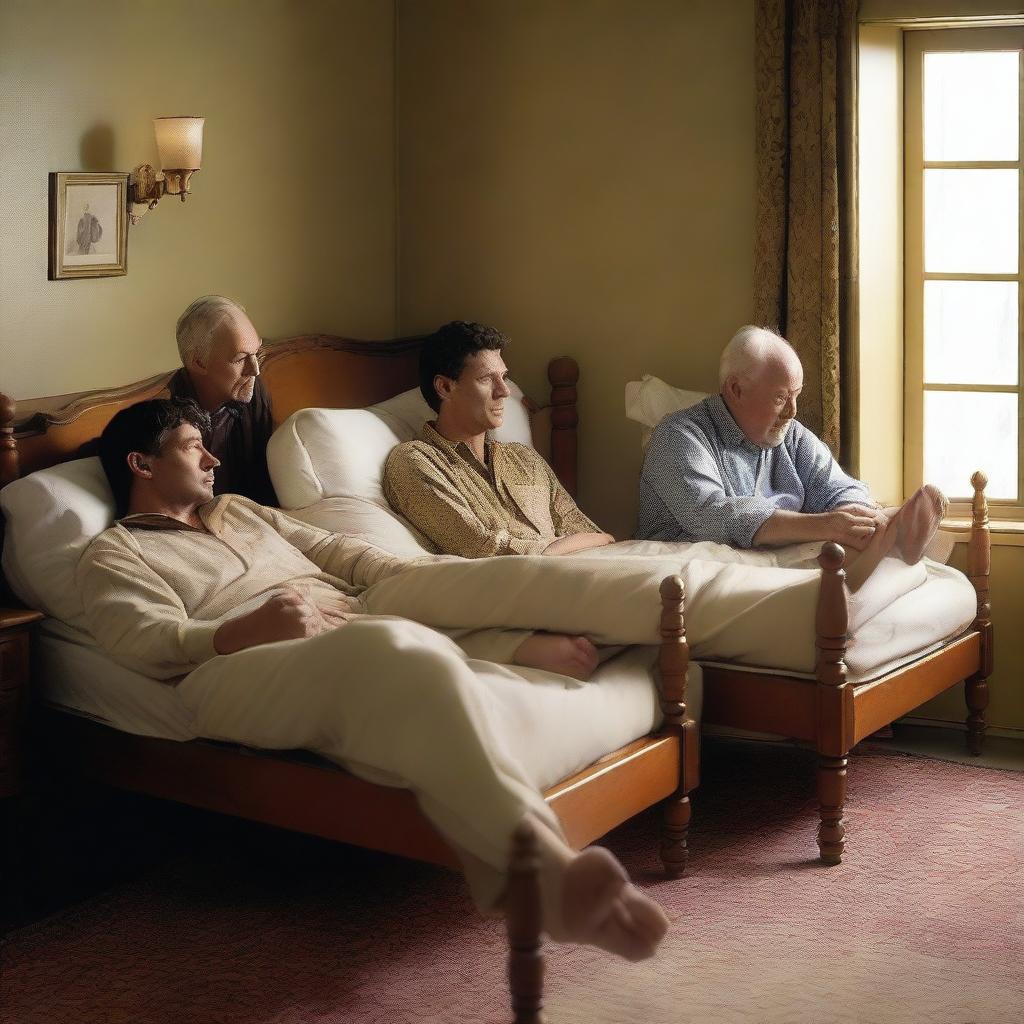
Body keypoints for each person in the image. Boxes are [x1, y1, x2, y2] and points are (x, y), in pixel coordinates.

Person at [76, 398, 672, 961]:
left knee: (410, 635)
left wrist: (434, 580)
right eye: (192, 447)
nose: (213, 459)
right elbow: (143, 641)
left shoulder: (239, 510)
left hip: (348, 620)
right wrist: (238, 632)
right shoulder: (115, 554)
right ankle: (541, 868)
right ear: (142, 463)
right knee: (387, 643)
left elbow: (337, 550)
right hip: (231, 666)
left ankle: (534, 647)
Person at [636, 325, 946, 592]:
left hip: (777, 556)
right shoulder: (678, 436)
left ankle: (887, 535)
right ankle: (887, 542)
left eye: (796, 395)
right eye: (781, 397)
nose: (792, 411)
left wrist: (853, 513)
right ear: (736, 389)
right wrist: (827, 525)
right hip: (700, 562)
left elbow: (838, 486)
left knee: (852, 522)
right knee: (832, 544)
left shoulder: (791, 435)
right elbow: (714, 515)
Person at [383, 320, 615, 558]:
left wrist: (572, 545)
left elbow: (593, 535)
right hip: (515, 586)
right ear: (444, 387)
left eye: (504, 377)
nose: (504, 391)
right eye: (486, 378)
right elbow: (483, 549)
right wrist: (552, 549)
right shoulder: (414, 462)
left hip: (584, 574)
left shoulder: (525, 458)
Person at [168, 295, 277, 505]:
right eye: (240, 358)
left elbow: (265, 481)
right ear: (199, 363)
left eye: (257, 352)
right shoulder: (167, 417)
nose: (255, 369)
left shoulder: (254, 391)